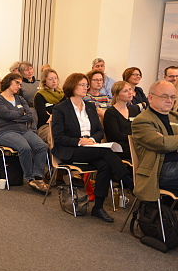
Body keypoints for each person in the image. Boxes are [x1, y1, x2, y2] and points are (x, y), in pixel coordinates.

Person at [51, 73, 133, 222]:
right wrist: (80, 141)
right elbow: (58, 137)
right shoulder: (60, 108)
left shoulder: (90, 106)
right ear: (72, 86)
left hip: (91, 149)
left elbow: (100, 131)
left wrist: (92, 139)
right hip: (70, 150)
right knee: (105, 152)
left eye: (86, 85)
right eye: (82, 85)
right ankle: (130, 183)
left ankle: (98, 208)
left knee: (105, 165)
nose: (85, 87)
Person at [132, 80, 178, 202]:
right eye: (164, 97)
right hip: (162, 171)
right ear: (150, 98)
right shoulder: (142, 121)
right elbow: (162, 144)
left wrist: (176, 145)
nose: (170, 100)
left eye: (172, 97)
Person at [0, 73, 49, 193]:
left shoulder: (20, 99)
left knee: (42, 146)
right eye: (17, 83)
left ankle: (38, 177)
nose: (19, 86)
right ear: (9, 82)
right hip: (5, 132)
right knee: (25, 148)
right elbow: (6, 115)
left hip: (23, 131)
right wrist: (20, 113)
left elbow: (29, 116)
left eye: (20, 84)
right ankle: (30, 178)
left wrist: (16, 116)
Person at [103, 81, 140, 160]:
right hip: (120, 146)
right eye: (125, 91)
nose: (130, 93)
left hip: (134, 143)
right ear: (116, 95)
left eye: (130, 90)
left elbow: (139, 129)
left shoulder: (133, 110)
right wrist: (135, 138)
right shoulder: (111, 113)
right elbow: (116, 135)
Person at [33, 68, 64, 144]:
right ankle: (54, 156)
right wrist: (58, 115)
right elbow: (44, 117)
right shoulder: (40, 96)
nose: (54, 81)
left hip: (61, 125)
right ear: (44, 81)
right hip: (45, 127)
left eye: (55, 78)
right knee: (54, 136)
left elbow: (66, 113)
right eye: (50, 79)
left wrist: (53, 115)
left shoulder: (62, 95)